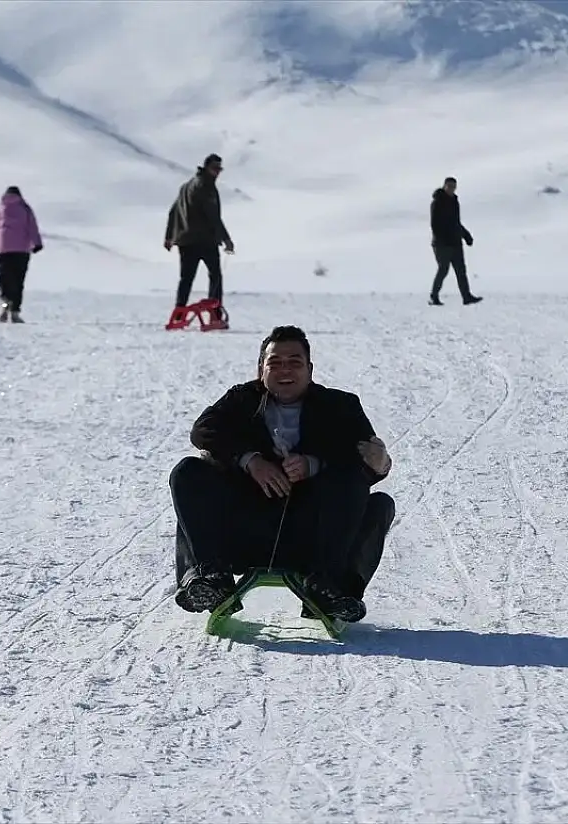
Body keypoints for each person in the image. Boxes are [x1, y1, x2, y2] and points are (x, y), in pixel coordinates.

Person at [168, 325, 396, 623]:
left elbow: (364, 468)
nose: (284, 370)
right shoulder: (241, 400)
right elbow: (203, 431)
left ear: (310, 369)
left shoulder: (340, 406)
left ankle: (333, 591)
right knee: (188, 472)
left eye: (294, 362)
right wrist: (250, 460)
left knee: (379, 503)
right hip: (246, 531)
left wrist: (314, 465)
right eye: (275, 362)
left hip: (315, 540)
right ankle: (211, 578)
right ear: (260, 368)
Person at [164, 153, 234, 328]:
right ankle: (214, 316)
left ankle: (178, 316)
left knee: (186, 279)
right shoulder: (206, 187)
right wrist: (226, 239)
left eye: (220, 169)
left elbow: (173, 211)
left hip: (185, 241)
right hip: (204, 240)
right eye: (215, 168)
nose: (217, 172)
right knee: (215, 276)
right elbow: (213, 216)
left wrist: (169, 236)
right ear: (207, 167)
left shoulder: (186, 186)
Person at [0, 185, 44, 323]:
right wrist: (37, 243)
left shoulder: (0, 210)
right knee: (18, 281)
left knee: (4, 282)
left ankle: (4, 308)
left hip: (4, 250)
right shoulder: (25, 209)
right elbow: (32, 227)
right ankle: (15, 311)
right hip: (22, 251)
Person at [429, 176, 481, 306]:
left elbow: (456, 223)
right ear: (444, 186)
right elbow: (435, 225)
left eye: (454, 187)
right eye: (449, 186)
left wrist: (465, 235)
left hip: (455, 243)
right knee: (443, 269)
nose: (452, 189)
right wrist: (443, 239)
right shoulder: (437, 202)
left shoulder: (454, 202)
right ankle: (433, 296)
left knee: (461, 271)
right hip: (442, 244)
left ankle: (466, 296)